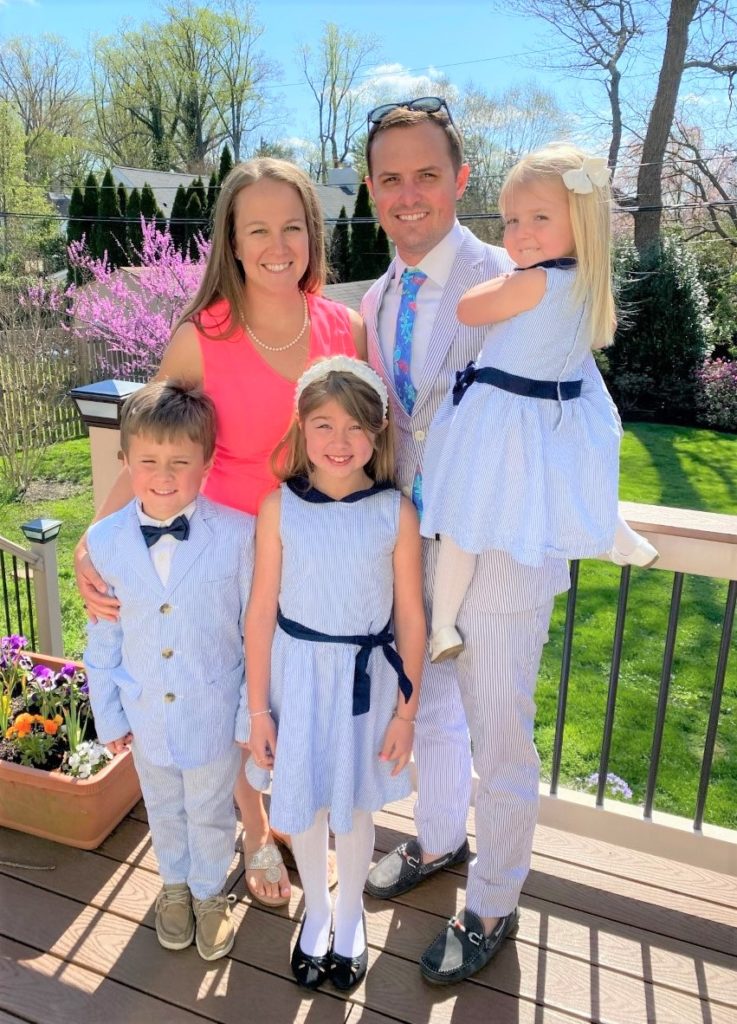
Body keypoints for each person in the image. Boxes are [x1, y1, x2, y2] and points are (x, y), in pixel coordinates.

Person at [360, 99, 629, 984]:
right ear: (370, 189)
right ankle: (438, 840)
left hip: (503, 542)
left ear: (459, 180)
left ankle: (492, 902)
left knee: (499, 731)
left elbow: (584, 408)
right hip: (417, 540)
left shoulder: (524, 270)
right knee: (432, 705)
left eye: (426, 174)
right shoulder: (377, 295)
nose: (407, 194)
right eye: (389, 178)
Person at [75, 158, 365, 907]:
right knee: (234, 691)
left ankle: (298, 817)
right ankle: (257, 828)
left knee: (297, 695)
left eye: (292, 227)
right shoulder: (200, 337)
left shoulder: (345, 330)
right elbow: (151, 445)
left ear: (313, 233)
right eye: (256, 229)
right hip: (224, 558)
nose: (277, 245)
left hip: (316, 553)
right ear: (231, 242)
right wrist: (94, 539)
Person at [422, 144, 658, 663]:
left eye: (539, 218)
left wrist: (508, 273)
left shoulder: (533, 281)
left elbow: (468, 309)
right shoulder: (588, 288)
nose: (519, 233)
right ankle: (616, 533)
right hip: (555, 409)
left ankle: (442, 626)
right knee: (571, 475)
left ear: (580, 221)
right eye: (511, 221)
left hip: (499, 414)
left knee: (461, 519)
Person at [245, 355, 425, 990]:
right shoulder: (279, 508)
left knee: (352, 804)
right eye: (323, 425)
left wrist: (407, 714)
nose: (339, 441)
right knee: (306, 802)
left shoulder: (395, 513)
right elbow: (260, 612)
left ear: (377, 433)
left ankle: (350, 915)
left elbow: (411, 618)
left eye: (355, 427)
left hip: (364, 686)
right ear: (302, 428)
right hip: (296, 681)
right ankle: (316, 912)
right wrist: (259, 709)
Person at [84, 381, 254, 962]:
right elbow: (103, 635)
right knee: (163, 808)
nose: (163, 475)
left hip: (213, 711)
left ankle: (209, 891)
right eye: (148, 461)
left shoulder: (238, 536)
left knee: (210, 809)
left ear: (206, 463)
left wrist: (247, 713)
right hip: (146, 712)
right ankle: (174, 885)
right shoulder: (104, 541)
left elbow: (252, 634)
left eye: (180, 462)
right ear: (125, 460)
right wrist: (108, 716)